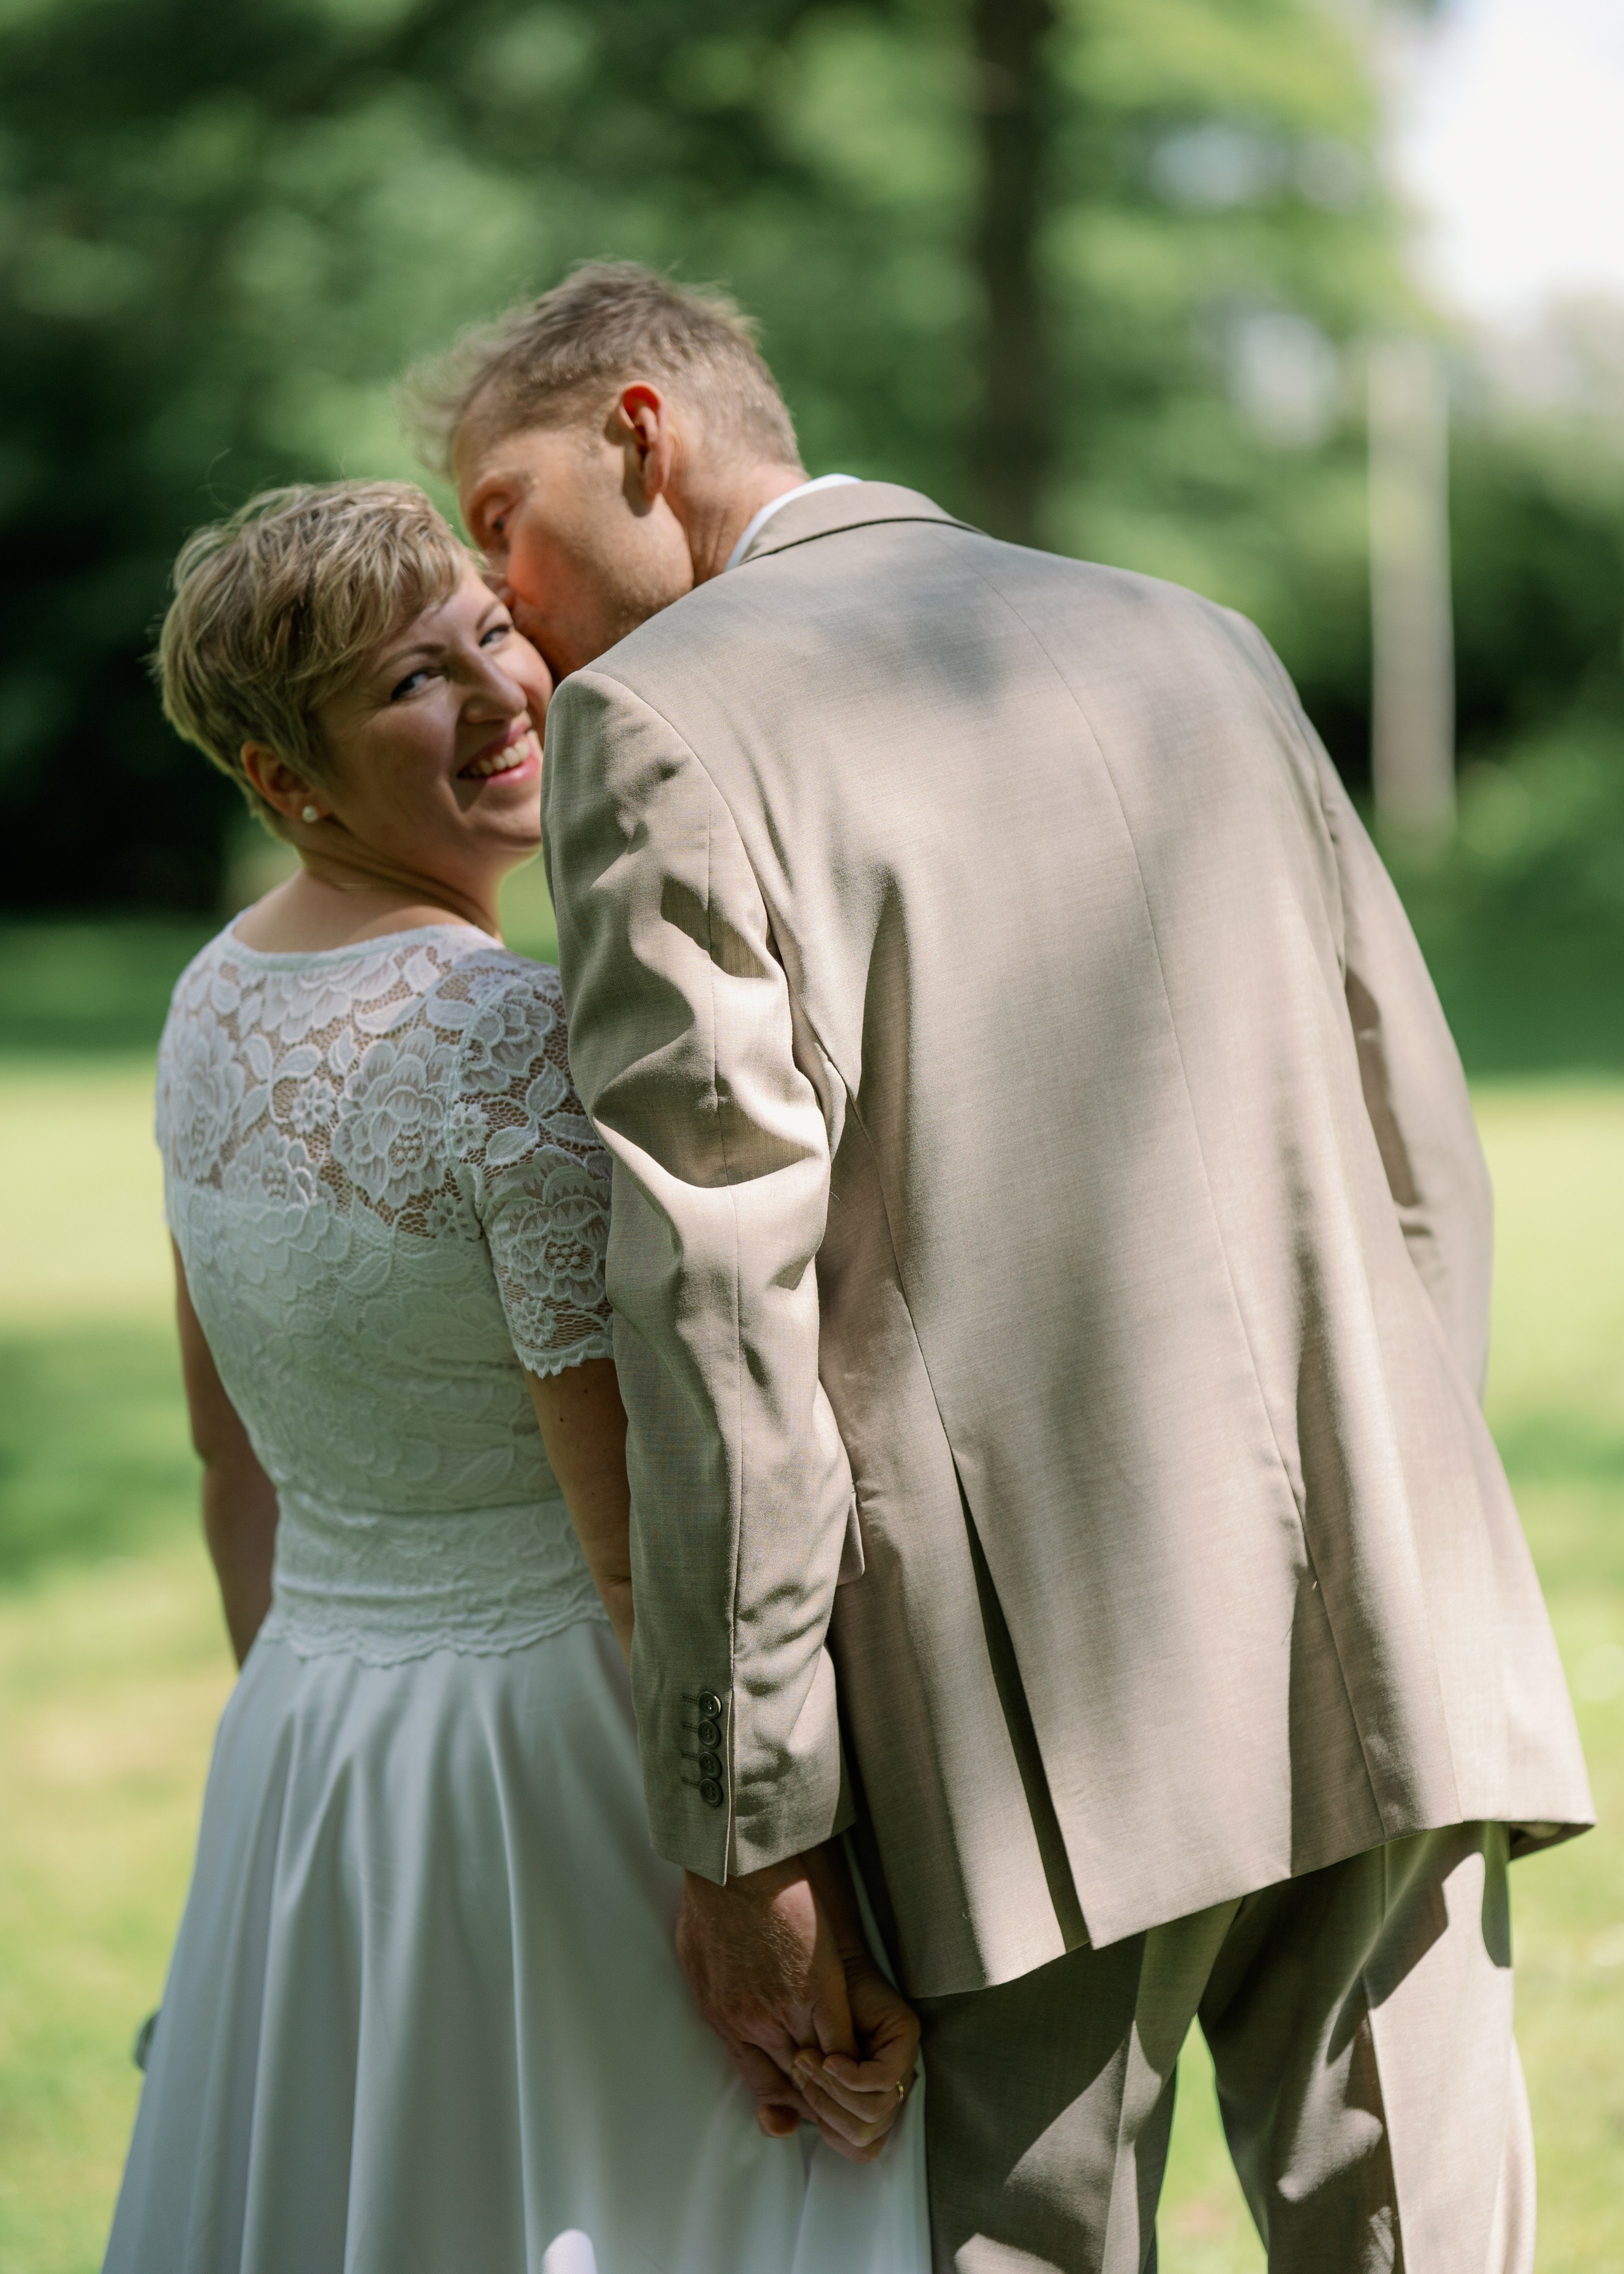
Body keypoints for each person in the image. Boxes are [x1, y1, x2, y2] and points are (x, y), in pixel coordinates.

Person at [420, 263, 1596, 2273]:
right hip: (1382, 1627)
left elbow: (717, 1320)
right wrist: (1400, 1517)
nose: (501, 604)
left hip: (1020, 1724)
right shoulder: (1198, 637)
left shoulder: (664, 726)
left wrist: (749, 1823)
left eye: (500, 519)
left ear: (641, 434)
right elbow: (1419, 1142)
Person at [104, 480, 926, 2274]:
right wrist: (759, 1883)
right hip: (550, 1762)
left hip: (312, 1731)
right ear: (287, 779)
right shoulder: (501, 1038)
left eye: (493, 634)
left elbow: (231, 1460)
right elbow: (634, 1542)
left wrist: (297, 1755)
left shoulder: (207, 1001)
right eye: (415, 681)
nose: (502, 696)